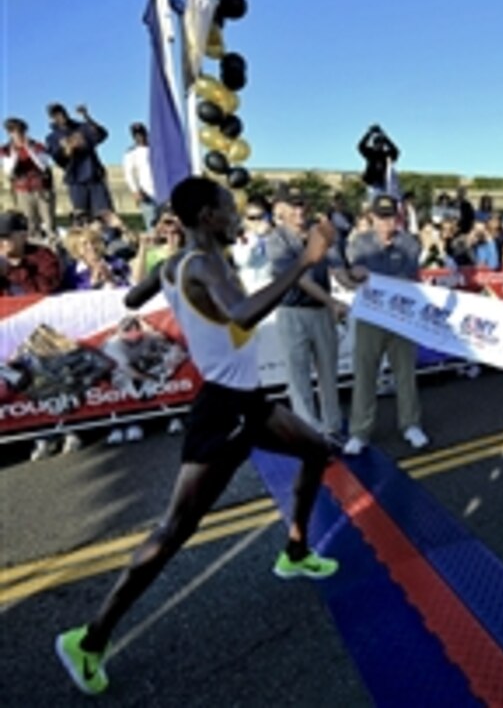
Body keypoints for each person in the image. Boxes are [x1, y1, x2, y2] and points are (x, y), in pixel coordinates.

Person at [54, 177, 342, 696]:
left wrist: (166, 258)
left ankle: (295, 552)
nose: (238, 217)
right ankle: (89, 640)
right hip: (223, 409)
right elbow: (242, 314)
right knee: (175, 531)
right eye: (229, 209)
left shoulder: (190, 260)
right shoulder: (205, 263)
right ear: (208, 216)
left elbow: (133, 297)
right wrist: (304, 263)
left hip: (248, 399)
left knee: (317, 450)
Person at [333, 194, 428, 453]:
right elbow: (353, 276)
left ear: (398, 218)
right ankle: (360, 432)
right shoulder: (360, 244)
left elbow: (411, 277)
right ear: (372, 218)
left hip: (401, 317)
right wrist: (354, 275)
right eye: (381, 217)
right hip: (371, 317)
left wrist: (378, 277)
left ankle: (410, 424)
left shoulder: (408, 243)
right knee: (365, 373)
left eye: (391, 217)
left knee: (405, 373)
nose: (387, 223)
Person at [265, 193, 345, 437]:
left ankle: (333, 426)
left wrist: (357, 282)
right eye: (293, 206)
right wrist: (332, 302)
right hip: (293, 311)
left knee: (328, 372)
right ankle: (309, 429)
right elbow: (299, 279)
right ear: (282, 209)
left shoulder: (320, 232)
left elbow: (339, 269)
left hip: (320, 312)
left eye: (302, 205)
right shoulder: (276, 238)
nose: (299, 211)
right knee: (298, 376)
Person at [44, 103, 114, 223]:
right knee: (82, 215)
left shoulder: (82, 127)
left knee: (104, 212)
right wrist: (67, 149)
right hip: (75, 180)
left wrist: (86, 116)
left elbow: (102, 134)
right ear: (52, 118)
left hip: (94, 176)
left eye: (62, 112)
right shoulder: (52, 138)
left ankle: (109, 238)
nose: (61, 116)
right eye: (56, 115)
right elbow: (58, 159)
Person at [2, 117, 55, 239]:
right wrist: (14, 154)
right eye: (14, 132)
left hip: (42, 188)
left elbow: (43, 165)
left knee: (49, 222)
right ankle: (35, 248)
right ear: (10, 133)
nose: (18, 135)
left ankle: (54, 247)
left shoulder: (37, 145)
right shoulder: (6, 150)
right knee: (30, 223)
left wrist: (29, 149)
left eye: (21, 131)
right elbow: (8, 170)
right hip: (23, 190)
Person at [122, 123, 157, 229]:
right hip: (146, 192)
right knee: (152, 223)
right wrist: (135, 191)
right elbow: (129, 174)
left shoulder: (157, 149)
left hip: (162, 190)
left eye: (142, 134)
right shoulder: (130, 153)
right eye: (136, 135)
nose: (140, 137)